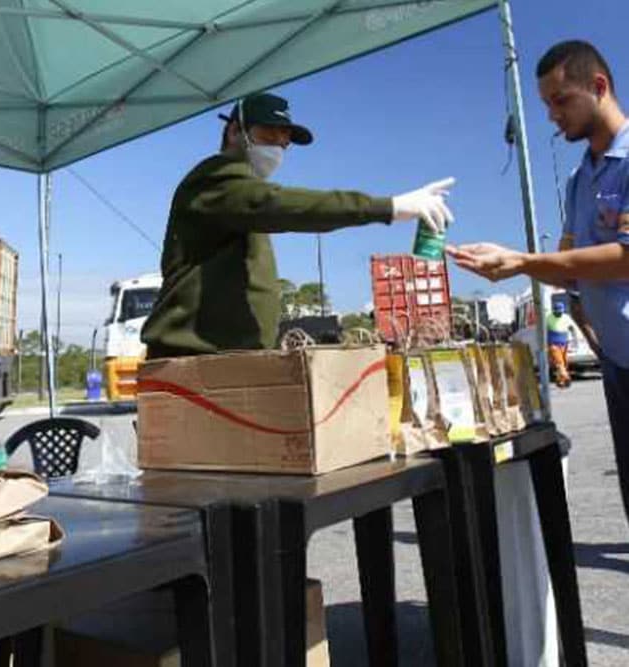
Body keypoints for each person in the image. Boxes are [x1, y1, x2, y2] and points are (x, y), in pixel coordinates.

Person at [447, 40, 629, 522]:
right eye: (546, 103)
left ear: (599, 87)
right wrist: (511, 260)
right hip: (618, 361)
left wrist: (523, 261)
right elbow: (567, 261)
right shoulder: (579, 179)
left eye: (560, 100)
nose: (552, 115)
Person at [141, 91, 456, 358]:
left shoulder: (241, 196)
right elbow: (280, 205)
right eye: (268, 135)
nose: (277, 148)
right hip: (193, 357)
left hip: (230, 357)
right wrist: (389, 207)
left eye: (284, 142)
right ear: (235, 131)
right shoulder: (216, 180)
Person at [546, 300, 578, 387]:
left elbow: (572, 328)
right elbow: (543, 330)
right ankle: (566, 379)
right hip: (553, 344)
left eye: (560, 312)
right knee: (559, 362)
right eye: (557, 312)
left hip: (564, 343)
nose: (559, 314)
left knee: (564, 363)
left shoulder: (566, 317)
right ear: (554, 311)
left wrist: (575, 340)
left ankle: (560, 380)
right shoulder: (549, 318)